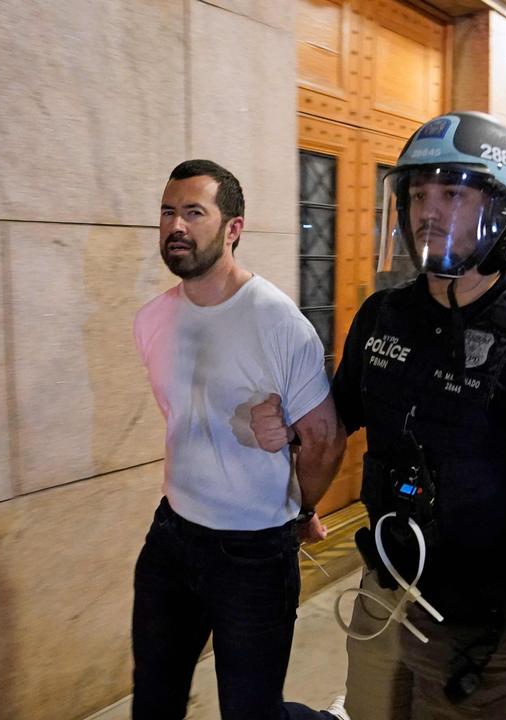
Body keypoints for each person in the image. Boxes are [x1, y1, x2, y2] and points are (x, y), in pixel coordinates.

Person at [253, 113, 506, 720]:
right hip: (386, 590)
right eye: (418, 193)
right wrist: (289, 450)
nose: (428, 209)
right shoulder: (384, 316)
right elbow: (336, 417)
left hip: (487, 625)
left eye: (452, 192)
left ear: (503, 211)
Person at [131, 159, 349, 720]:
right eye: (167, 213)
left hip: (253, 553)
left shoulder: (276, 321)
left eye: (194, 213)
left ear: (233, 228)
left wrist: (301, 509)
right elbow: (182, 420)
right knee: (154, 700)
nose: (176, 226)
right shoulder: (152, 320)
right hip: (172, 538)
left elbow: (324, 440)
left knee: (252, 714)